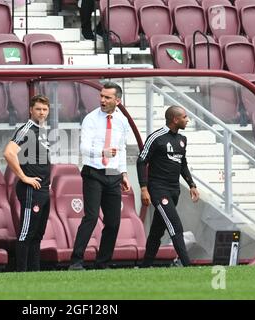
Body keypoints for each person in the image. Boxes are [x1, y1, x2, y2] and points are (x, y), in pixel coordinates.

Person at [69, 82, 131, 270]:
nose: (102, 100)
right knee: (91, 217)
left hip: (113, 173)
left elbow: (121, 149)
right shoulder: (90, 119)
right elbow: (84, 148)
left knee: (113, 222)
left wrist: (124, 173)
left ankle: (102, 263)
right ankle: (76, 261)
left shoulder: (122, 121)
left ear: (117, 101)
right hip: (93, 171)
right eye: (101, 96)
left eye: (107, 97)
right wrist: (102, 152)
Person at [137, 105, 200, 268]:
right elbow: (141, 161)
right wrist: (144, 188)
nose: (187, 120)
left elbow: (183, 164)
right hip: (158, 189)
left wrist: (192, 185)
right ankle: (187, 265)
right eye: (185, 117)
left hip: (174, 190)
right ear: (175, 119)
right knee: (175, 225)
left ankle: (145, 266)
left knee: (157, 230)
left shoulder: (182, 139)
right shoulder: (156, 137)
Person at [3, 95, 51, 272]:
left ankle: (34, 273)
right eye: (38, 109)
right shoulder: (26, 129)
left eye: (45, 109)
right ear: (31, 110)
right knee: (26, 233)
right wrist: (24, 177)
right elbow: (9, 153)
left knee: (38, 234)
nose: (42, 112)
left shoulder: (43, 130)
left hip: (44, 189)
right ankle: (21, 273)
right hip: (31, 189)